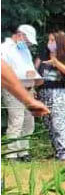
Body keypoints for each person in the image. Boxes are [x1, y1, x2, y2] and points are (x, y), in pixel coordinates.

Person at [1, 24, 42, 161]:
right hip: (13, 90)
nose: (29, 44)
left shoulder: (24, 50)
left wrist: (34, 84)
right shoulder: (5, 49)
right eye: (28, 41)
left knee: (29, 122)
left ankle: (23, 151)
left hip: (29, 89)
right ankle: (11, 153)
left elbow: (30, 68)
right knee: (17, 121)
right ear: (19, 35)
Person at [36, 30, 65, 161]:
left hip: (59, 91)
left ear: (59, 42)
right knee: (48, 123)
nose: (50, 43)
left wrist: (56, 63)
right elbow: (34, 70)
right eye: (49, 40)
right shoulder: (43, 55)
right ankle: (56, 151)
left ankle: (63, 153)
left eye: (52, 40)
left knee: (58, 123)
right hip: (43, 92)